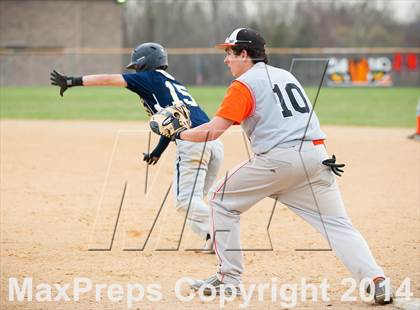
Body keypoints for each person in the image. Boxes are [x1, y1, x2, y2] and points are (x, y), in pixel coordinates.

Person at [168, 28, 392, 305]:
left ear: (245, 54)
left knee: (220, 201)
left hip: (279, 160)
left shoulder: (244, 84)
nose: (226, 60)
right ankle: (375, 279)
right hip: (316, 157)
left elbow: (214, 131)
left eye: (230, 53)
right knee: (338, 225)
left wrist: (178, 134)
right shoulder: (286, 75)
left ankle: (229, 279)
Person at [50, 42, 224, 251]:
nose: (135, 71)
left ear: (144, 64)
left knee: (185, 201)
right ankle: (212, 238)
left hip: (193, 145)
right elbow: (174, 124)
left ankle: (223, 232)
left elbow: (107, 79)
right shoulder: (173, 83)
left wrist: (72, 81)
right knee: (193, 201)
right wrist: (157, 152)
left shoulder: (147, 78)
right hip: (214, 143)